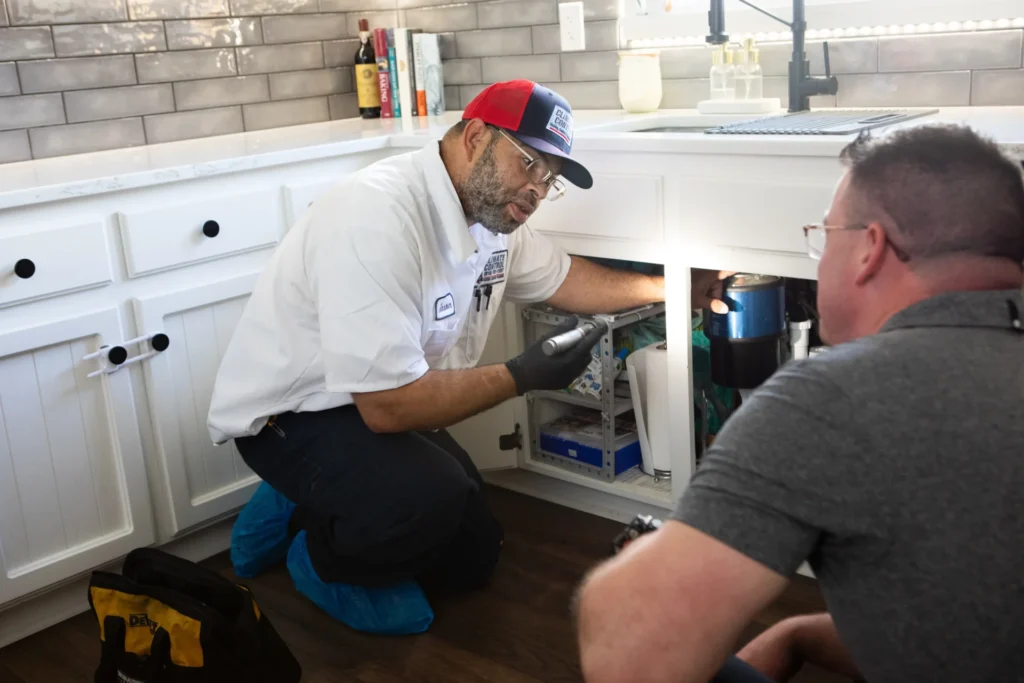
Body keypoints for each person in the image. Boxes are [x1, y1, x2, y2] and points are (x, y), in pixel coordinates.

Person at [207, 80, 729, 635]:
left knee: (476, 552)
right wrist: (523, 375)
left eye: (549, 179)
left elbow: (564, 278)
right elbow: (388, 408)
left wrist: (669, 288)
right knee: (425, 498)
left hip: (375, 397)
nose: (536, 189)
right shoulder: (376, 216)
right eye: (530, 164)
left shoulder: (490, 217)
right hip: (295, 413)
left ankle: (319, 500)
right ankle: (319, 560)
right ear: (477, 136)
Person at [574, 123, 1024, 683]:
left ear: (870, 249)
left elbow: (629, 655)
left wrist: (640, 565)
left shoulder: (832, 399)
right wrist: (798, 632)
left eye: (824, 235)